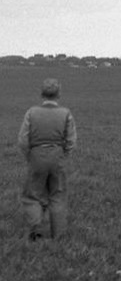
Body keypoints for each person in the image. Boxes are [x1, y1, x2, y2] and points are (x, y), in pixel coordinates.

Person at [17, 78, 77, 241]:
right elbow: (71, 140)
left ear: (41, 94)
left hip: (36, 155)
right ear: (59, 94)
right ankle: (58, 235)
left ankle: (36, 229)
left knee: (33, 194)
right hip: (57, 155)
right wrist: (64, 154)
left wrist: (29, 155)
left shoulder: (32, 112)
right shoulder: (65, 113)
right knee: (57, 194)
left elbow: (23, 139)